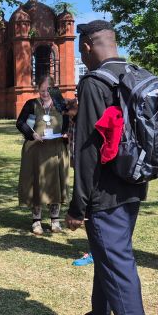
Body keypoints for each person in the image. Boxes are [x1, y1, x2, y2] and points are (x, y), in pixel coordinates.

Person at [66, 20, 156, 315]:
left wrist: (78, 205)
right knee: (109, 258)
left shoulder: (94, 83)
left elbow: (86, 152)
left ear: (86, 47)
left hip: (105, 192)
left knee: (118, 266)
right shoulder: (134, 74)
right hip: (134, 182)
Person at [15, 75, 70, 235]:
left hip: (56, 150)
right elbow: (21, 123)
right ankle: (36, 221)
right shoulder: (31, 104)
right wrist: (32, 135)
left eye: (48, 90)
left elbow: (69, 123)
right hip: (35, 151)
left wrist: (66, 133)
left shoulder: (61, 104)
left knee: (56, 183)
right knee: (36, 183)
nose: (44, 93)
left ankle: (55, 220)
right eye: (41, 90)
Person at [64, 97, 93, 268]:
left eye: (69, 112)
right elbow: (72, 142)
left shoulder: (86, 120)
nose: (68, 116)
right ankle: (95, 250)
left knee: (90, 209)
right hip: (80, 167)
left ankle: (96, 252)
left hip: (88, 170)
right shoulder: (74, 121)